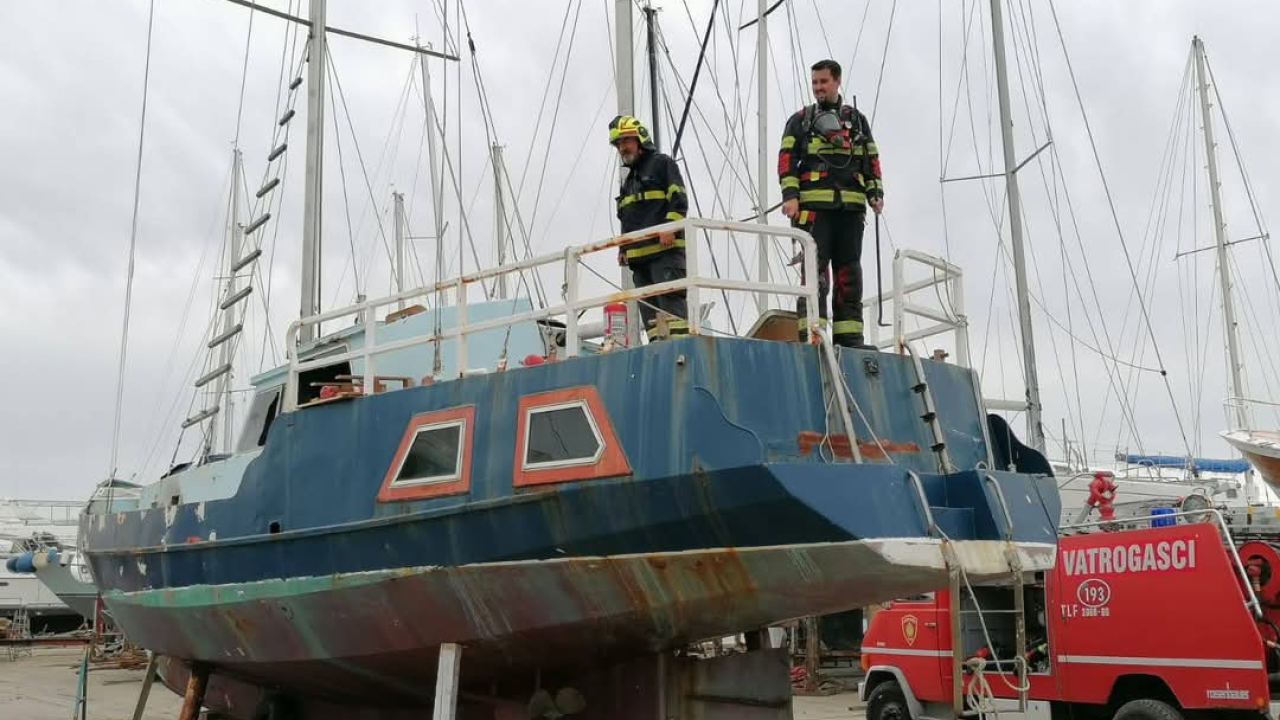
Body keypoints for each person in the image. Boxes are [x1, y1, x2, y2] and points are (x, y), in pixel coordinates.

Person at [778, 59, 884, 348]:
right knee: (815, 277)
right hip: (814, 212)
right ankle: (812, 336)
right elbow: (787, 161)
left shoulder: (858, 120)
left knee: (849, 276)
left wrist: (875, 193)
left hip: (850, 211)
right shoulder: (800, 120)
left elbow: (870, 159)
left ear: (837, 81)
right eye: (814, 83)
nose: (818, 88)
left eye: (823, 82)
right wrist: (790, 197)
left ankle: (850, 339)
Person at [609, 114, 690, 342]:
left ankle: (681, 353)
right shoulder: (629, 181)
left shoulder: (662, 164)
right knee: (652, 322)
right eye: (619, 144)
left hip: (665, 254)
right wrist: (624, 249)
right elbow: (628, 216)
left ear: (640, 140)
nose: (622, 148)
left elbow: (679, 199)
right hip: (640, 261)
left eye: (626, 141)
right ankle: (659, 352)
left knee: (673, 315)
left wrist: (670, 227)